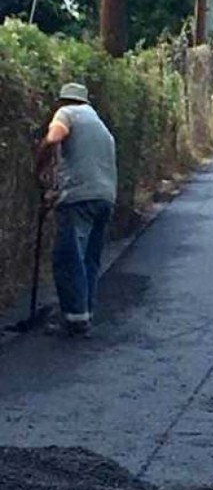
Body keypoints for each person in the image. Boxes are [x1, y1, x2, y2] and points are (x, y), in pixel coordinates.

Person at [36, 82, 117, 337]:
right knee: (89, 259)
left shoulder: (67, 114)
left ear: (63, 101)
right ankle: (84, 312)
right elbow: (85, 165)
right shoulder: (100, 126)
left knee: (68, 259)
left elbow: (54, 137)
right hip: (105, 198)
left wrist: (40, 161)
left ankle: (73, 319)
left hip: (79, 199)